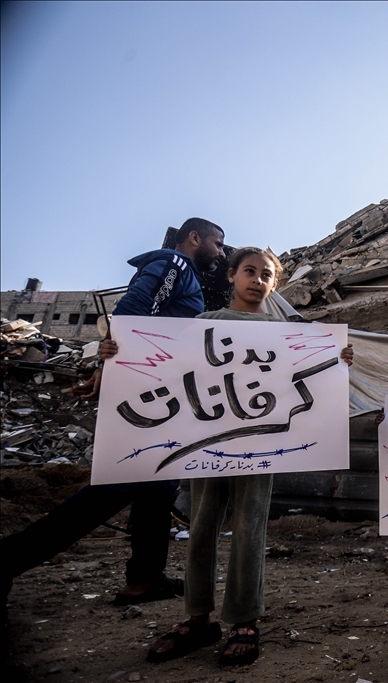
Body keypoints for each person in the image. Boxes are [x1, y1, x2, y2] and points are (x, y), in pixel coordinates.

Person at [0, 218, 226, 611]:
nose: (221, 253)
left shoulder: (181, 272)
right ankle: (6, 560)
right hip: (147, 391)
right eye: (217, 243)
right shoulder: (175, 264)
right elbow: (134, 312)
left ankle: (144, 578)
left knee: (159, 486)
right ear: (194, 238)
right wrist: (110, 367)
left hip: (160, 390)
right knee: (119, 485)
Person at [144, 247, 354, 667]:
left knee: (250, 527)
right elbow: (160, 364)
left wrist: (337, 360)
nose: (257, 280)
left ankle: (244, 619)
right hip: (208, 442)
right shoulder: (204, 324)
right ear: (231, 277)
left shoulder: (285, 334)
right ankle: (197, 618)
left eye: (266, 275)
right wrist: (116, 354)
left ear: (275, 285)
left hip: (260, 446)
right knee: (201, 525)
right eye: (249, 271)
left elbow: (309, 380)